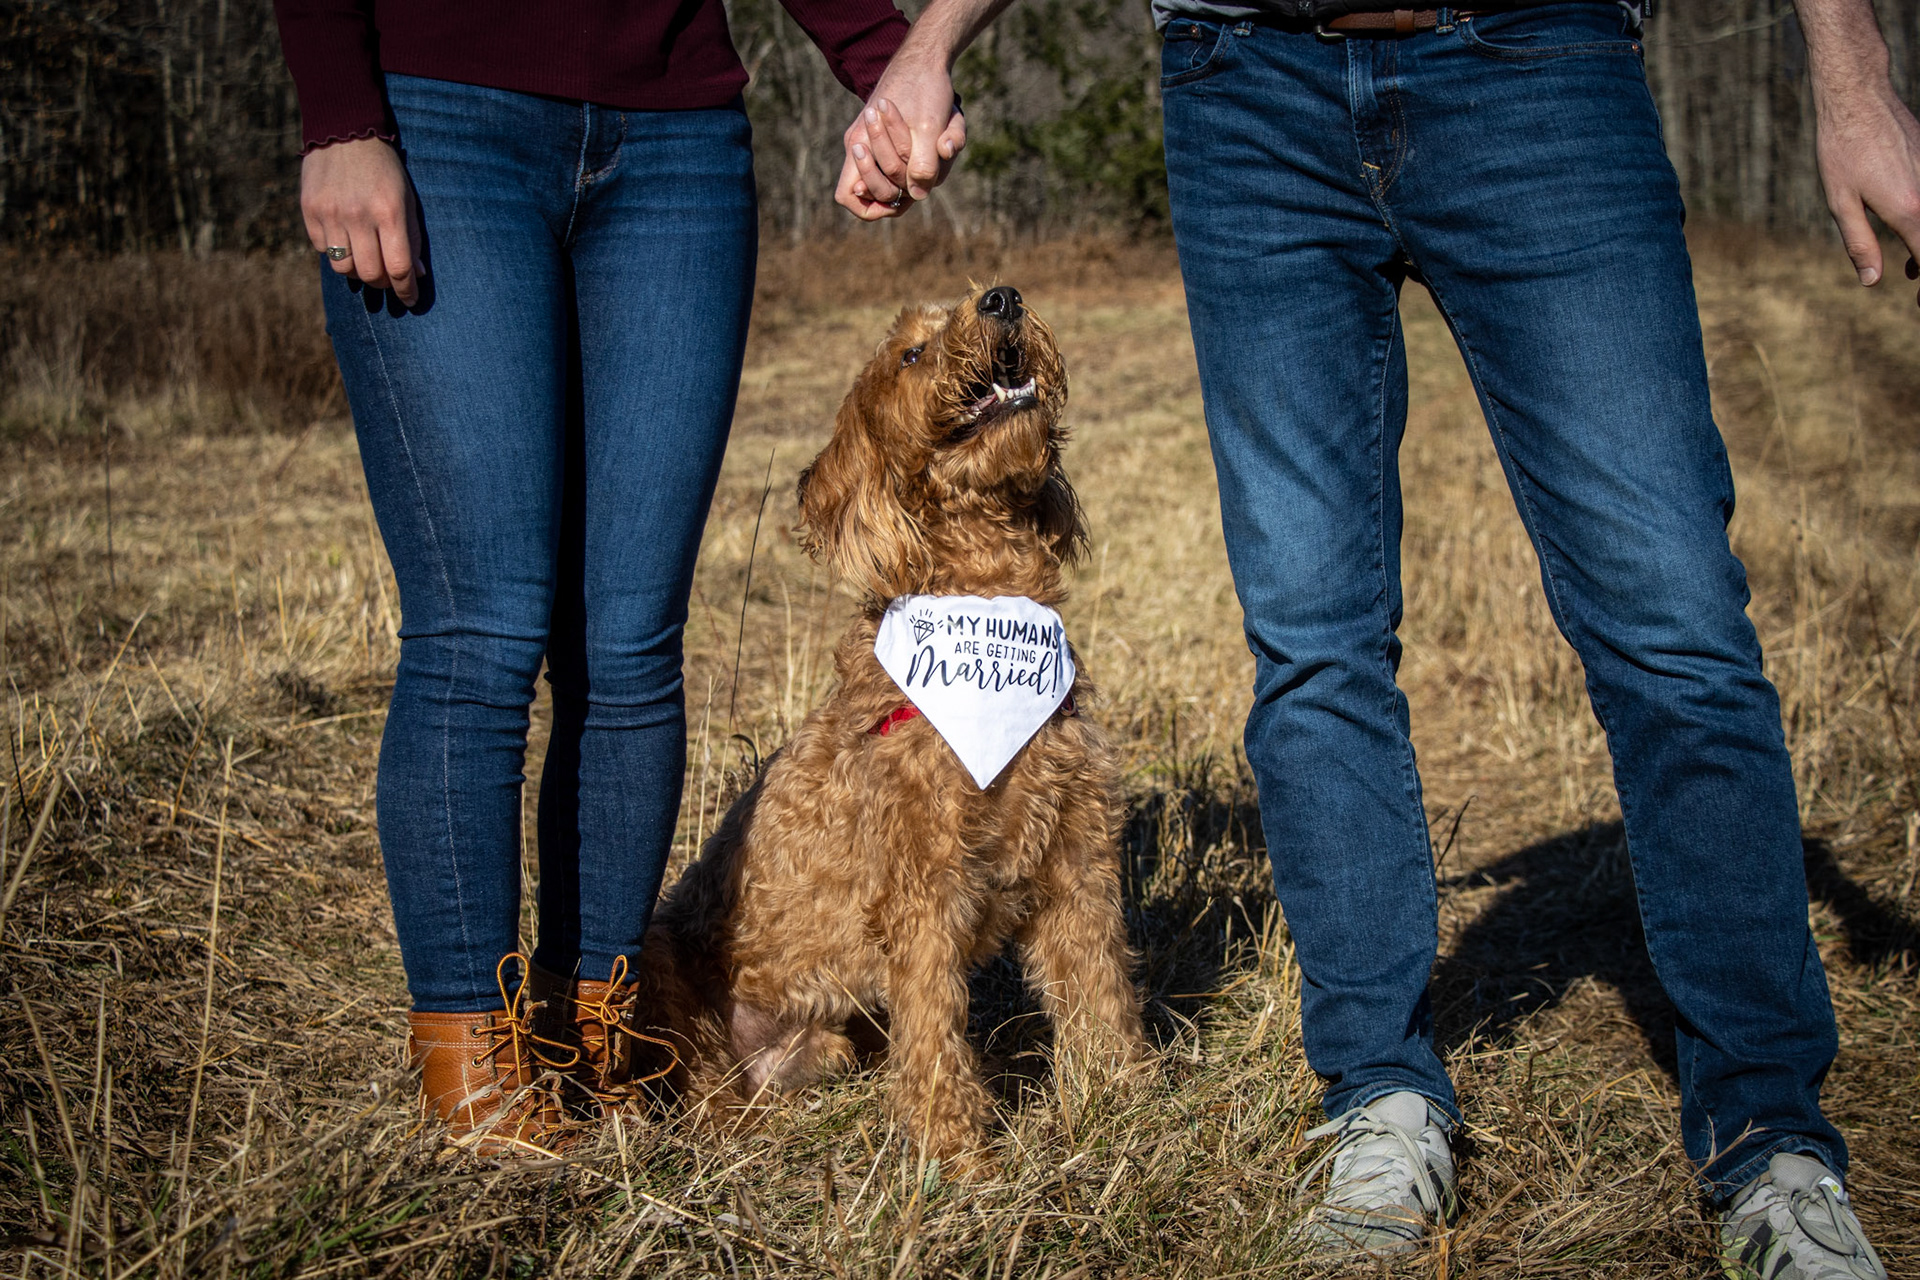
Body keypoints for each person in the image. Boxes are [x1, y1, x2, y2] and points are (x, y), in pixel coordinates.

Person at [836, 0, 1919, 1273]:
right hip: (1245, 77)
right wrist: (929, 45)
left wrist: (1853, 76)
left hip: (1537, 54)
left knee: (1672, 617)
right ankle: (1379, 1097)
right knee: (1313, 643)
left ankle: (1769, 1136)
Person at [270, 0, 909, 1154]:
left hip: (677, 139)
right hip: (441, 114)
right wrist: (340, 112)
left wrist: (882, 58)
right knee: (481, 631)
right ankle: (471, 1071)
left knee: (629, 645)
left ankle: (588, 1041)